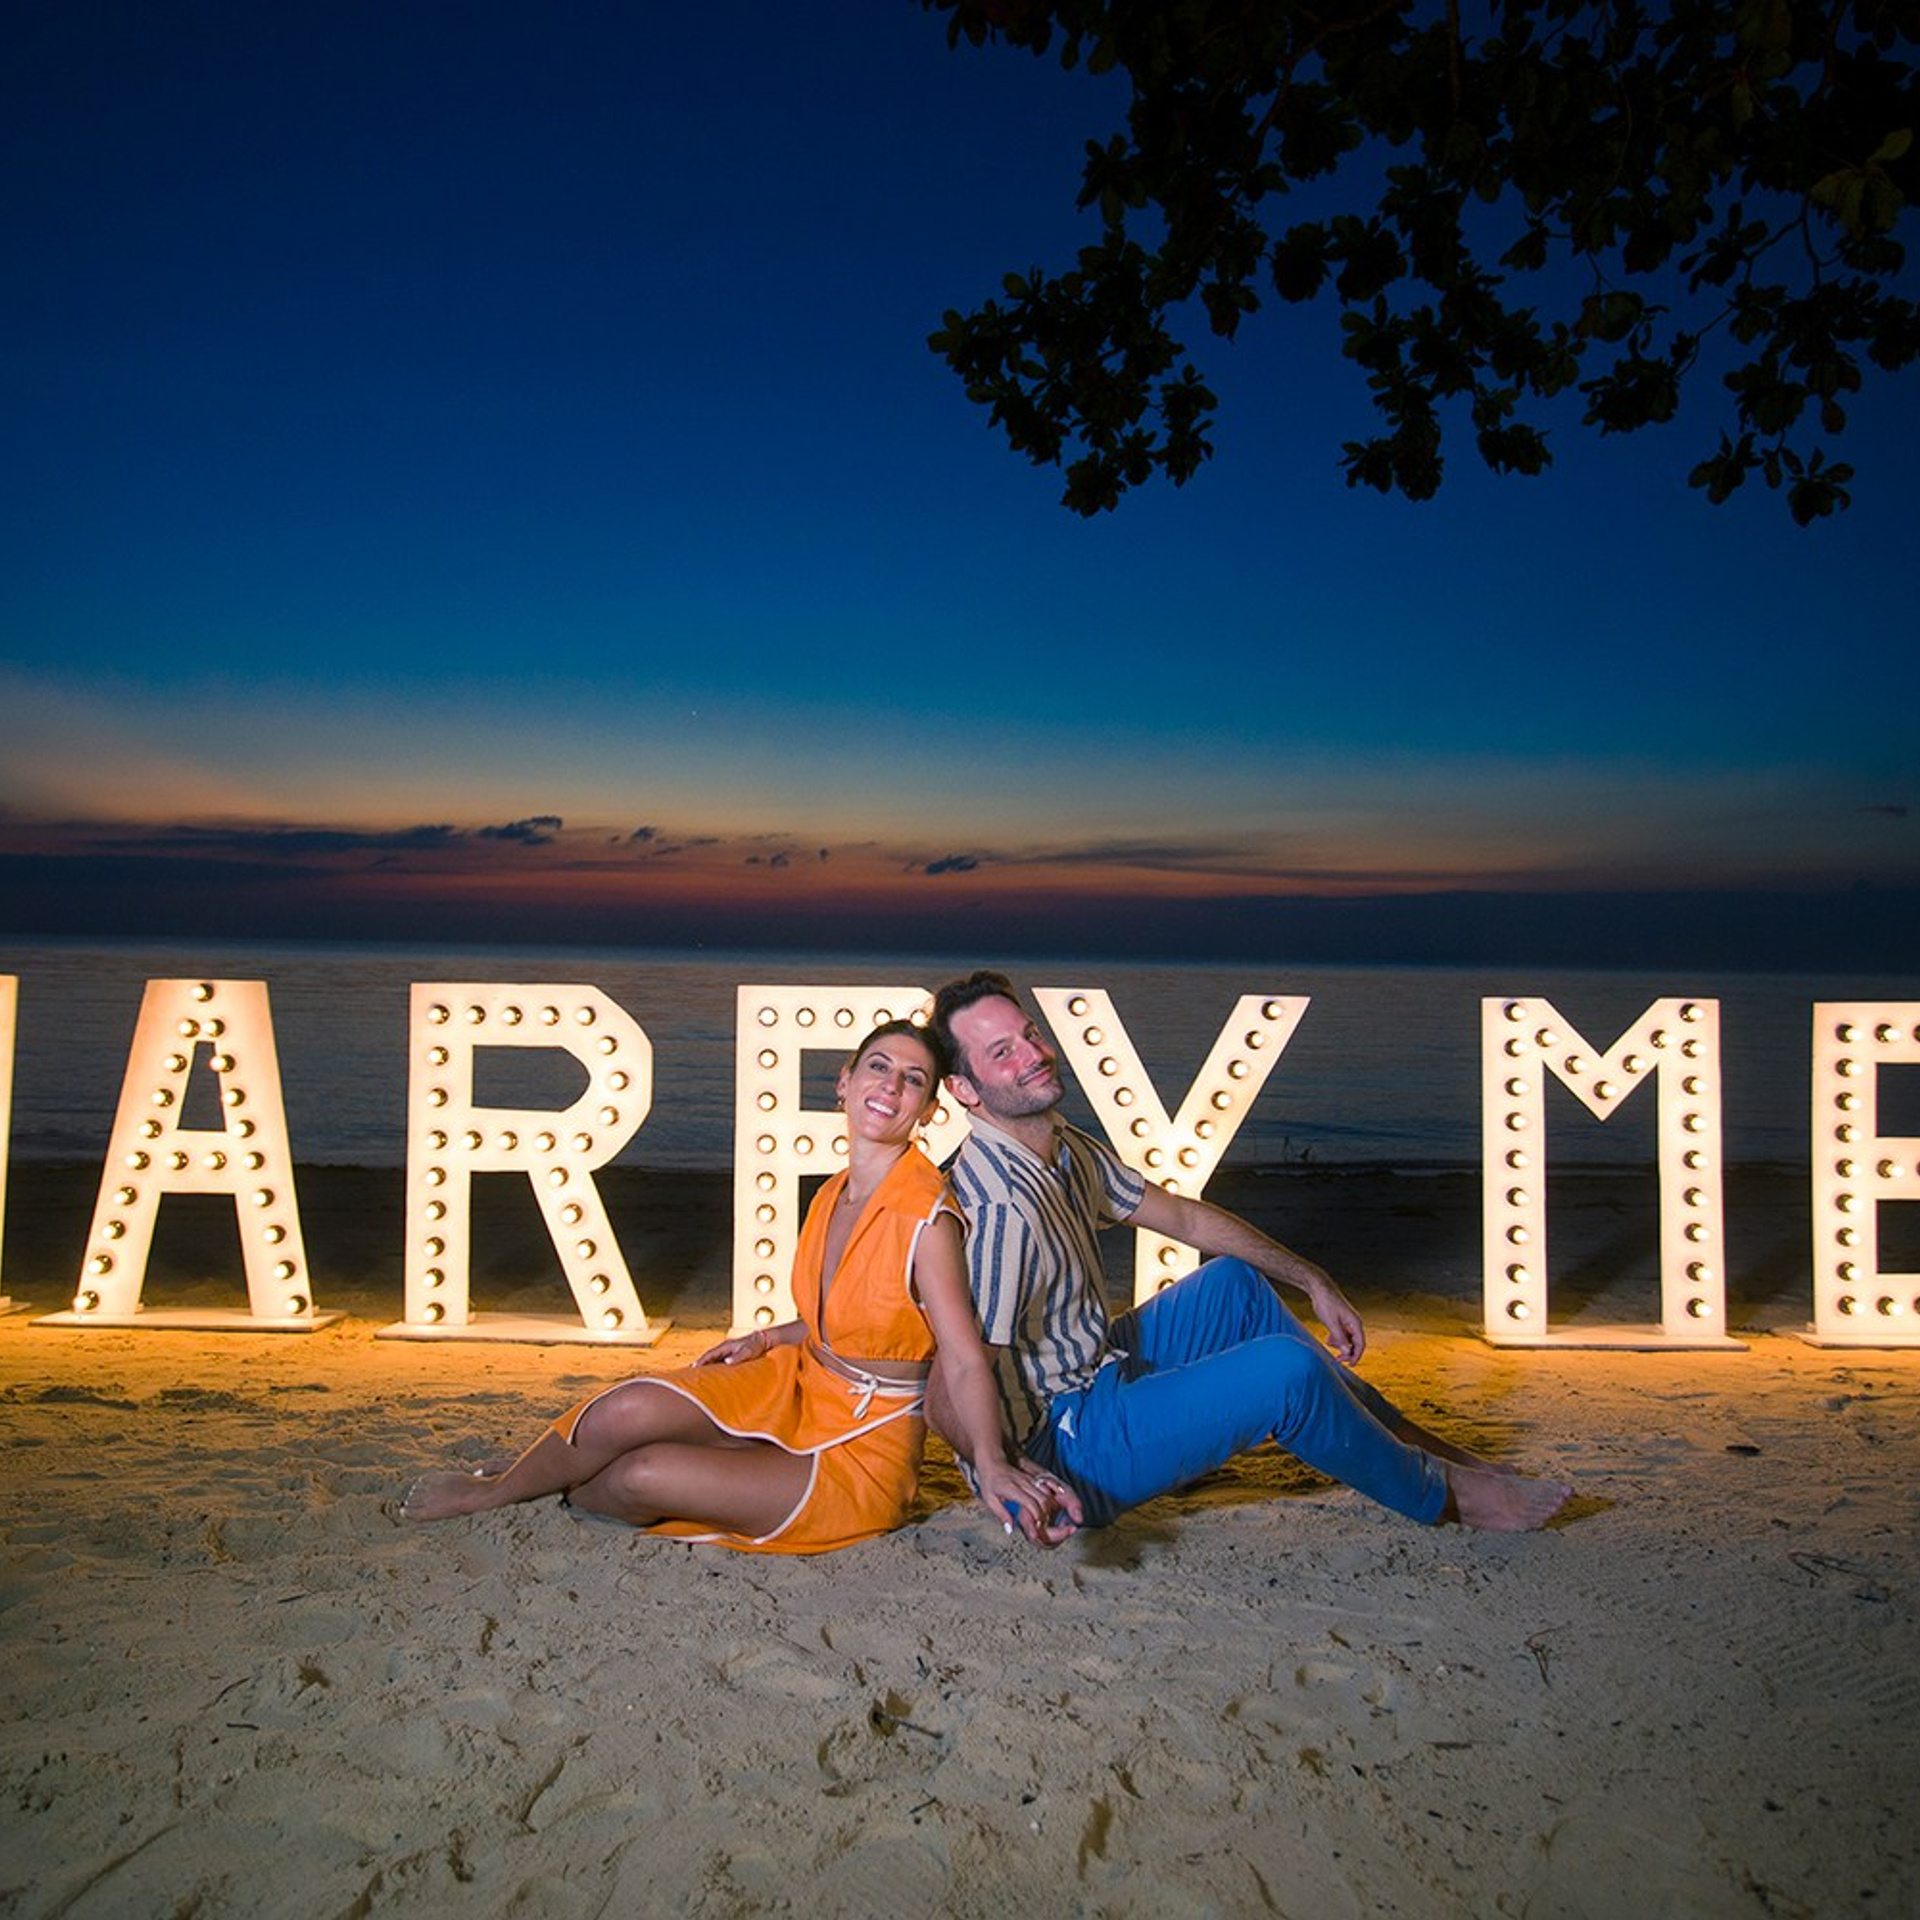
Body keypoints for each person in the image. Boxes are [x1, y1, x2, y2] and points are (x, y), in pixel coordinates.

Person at [924, 972, 1574, 1535]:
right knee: (1284, 1370)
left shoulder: (1058, 1146)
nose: (1033, 1055)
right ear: (965, 1090)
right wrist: (997, 1469)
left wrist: (1310, 1278)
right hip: (1064, 1455)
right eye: (1001, 1053)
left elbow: (1180, 1214)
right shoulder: (996, 1209)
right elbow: (946, 1379)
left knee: (1233, 1283)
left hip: (1096, 1371)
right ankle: (1451, 1496)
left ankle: (1415, 1442)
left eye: (1030, 1034)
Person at [402, 1018, 1081, 1551]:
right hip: (800, 1381)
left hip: (861, 1449)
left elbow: (962, 1356)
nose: (891, 1087)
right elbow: (857, 1312)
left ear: (928, 1111)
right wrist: (770, 1336)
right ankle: (506, 1487)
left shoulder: (928, 1216)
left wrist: (992, 1464)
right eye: (878, 1068)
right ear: (842, 1083)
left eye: (912, 1080)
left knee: (640, 1474)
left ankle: (546, 1482)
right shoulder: (837, 1191)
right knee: (622, 1412)